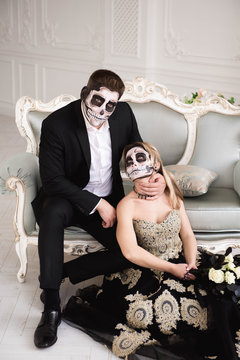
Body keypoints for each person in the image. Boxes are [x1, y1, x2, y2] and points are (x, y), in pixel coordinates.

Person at [62, 142, 240, 360]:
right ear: (126, 171)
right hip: (147, 268)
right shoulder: (126, 205)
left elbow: (187, 235)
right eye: (130, 162)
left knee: (218, 300)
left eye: (141, 158)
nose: (135, 164)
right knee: (157, 318)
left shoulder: (172, 193)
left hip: (181, 259)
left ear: (155, 163)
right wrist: (172, 268)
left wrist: (191, 262)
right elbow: (130, 252)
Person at [32, 70, 166, 349]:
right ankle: (52, 307)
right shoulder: (56, 124)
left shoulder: (124, 114)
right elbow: (53, 180)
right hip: (67, 197)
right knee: (52, 213)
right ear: (86, 94)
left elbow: (135, 153)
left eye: (110, 105)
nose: (103, 110)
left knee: (135, 250)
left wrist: (155, 177)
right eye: (97, 101)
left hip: (109, 198)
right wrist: (98, 204)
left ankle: (57, 273)